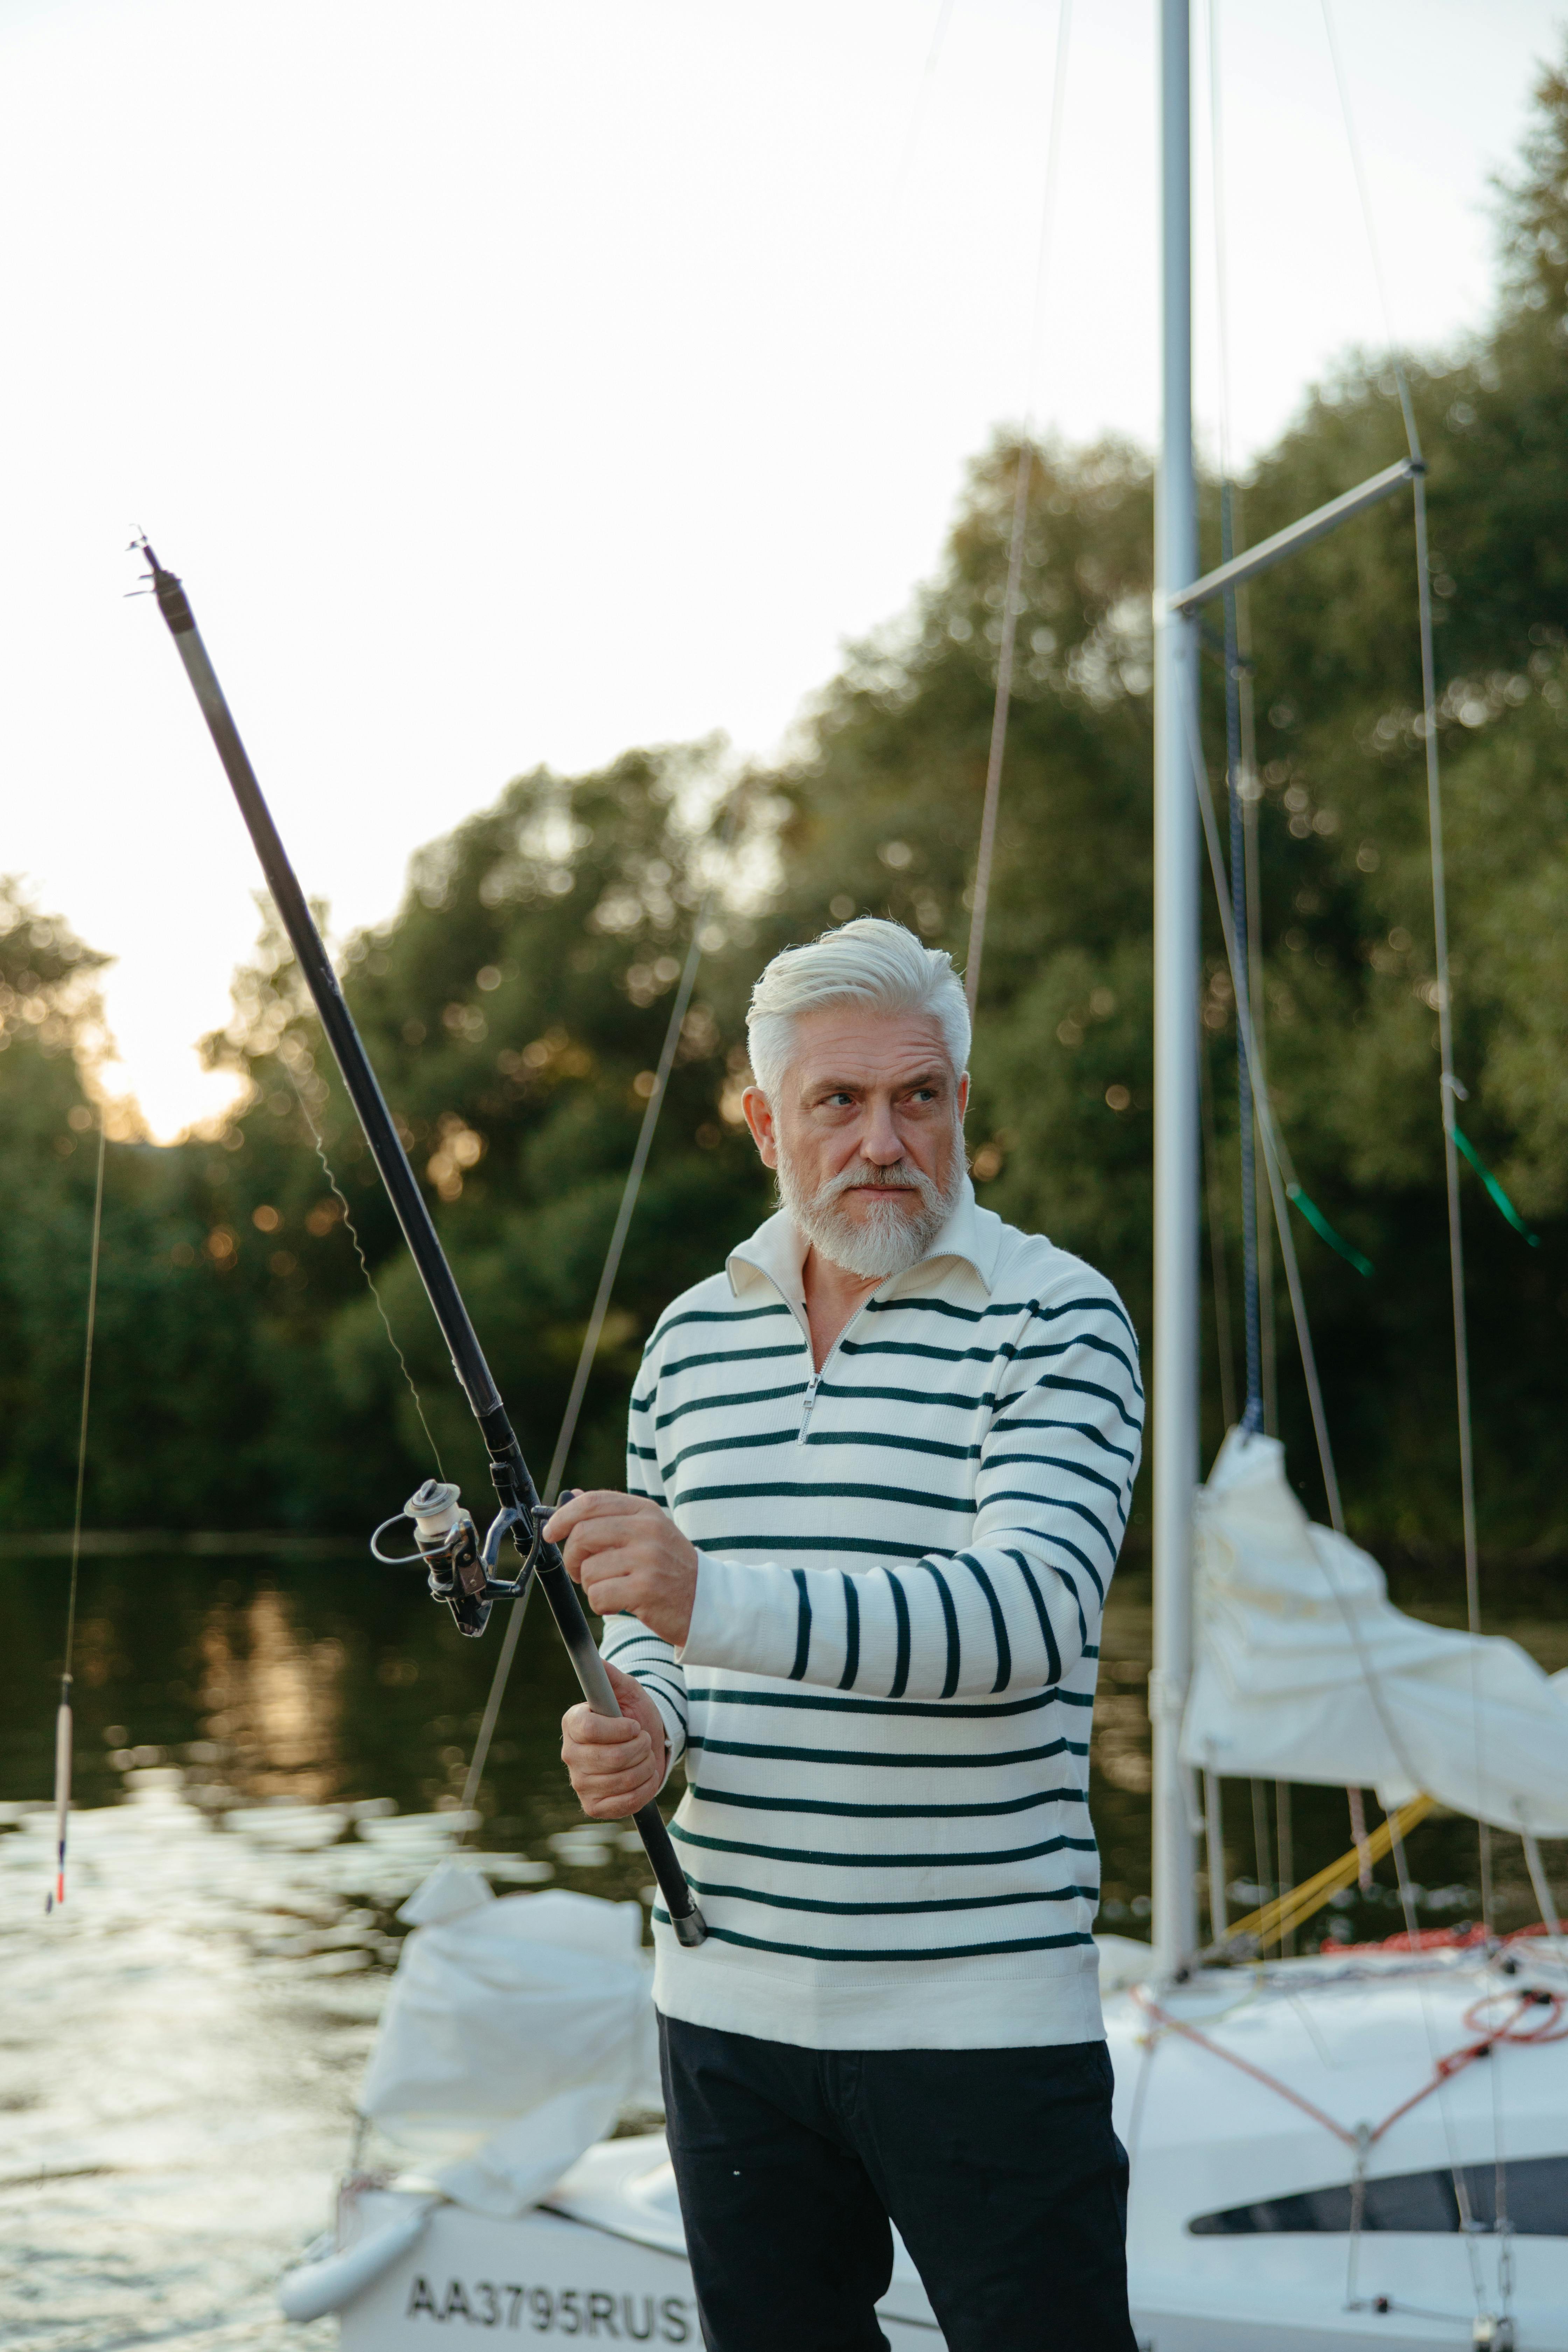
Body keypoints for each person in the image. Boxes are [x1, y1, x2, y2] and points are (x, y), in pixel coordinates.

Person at [548, 917, 1143, 2352]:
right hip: (725, 2007)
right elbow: (664, 1644)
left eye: (918, 1096)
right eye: (838, 1102)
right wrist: (644, 1725)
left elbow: (1026, 1617)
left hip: (980, 2019)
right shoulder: (689, 1340)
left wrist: (703, 1599)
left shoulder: (1058, 1317)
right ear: (766, 1123)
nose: (885, 1138)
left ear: (956, 1106)